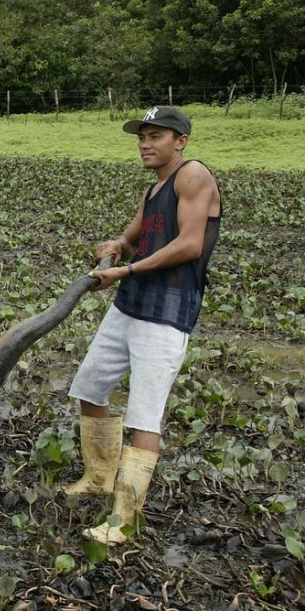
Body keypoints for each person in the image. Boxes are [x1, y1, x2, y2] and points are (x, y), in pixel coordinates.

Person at [61, 106, 221, 546]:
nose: (146, 144)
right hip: (130, 307)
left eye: (157, 136)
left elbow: (189, 244)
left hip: (166, 314)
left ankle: (124, 518)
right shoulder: (154, 189)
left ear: (181, 141)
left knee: (144, 416)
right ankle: (98, 477)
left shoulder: (193, 178)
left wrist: (125, 272)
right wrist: (117, 246)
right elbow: (132, 239)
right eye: (142, 137)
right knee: (89, 389)